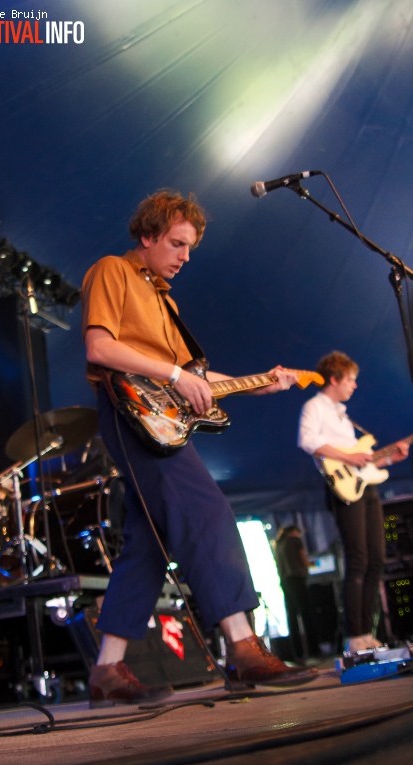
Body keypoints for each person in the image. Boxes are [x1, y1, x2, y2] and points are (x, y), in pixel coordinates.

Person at [81, 189, 318, 706]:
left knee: (149, 540)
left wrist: (261, 383)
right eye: (177, 243)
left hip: (159, 416)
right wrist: (170, 373)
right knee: (208, 511)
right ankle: (243, 646)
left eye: (190, 247)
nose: (185, 256)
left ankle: (107, 669)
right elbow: (99, 347)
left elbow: (198, 381)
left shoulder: (165, 298)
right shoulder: (110, 271)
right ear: (147, 236)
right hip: (129, 414)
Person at [297, 350, 409, 655]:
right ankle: (355, 635)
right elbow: (307, 442)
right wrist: (348, 457)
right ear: (335, 379)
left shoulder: (342, 414)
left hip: (364, 488)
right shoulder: (315, 406)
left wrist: (389, 459)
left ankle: (367, 633)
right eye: (351, 380)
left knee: (377, 560)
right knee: (357, 558)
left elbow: (364, 462)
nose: (354, 386)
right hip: (342, 490)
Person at [273, 525, 319, 661]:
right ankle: (314, 650)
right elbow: (304, 561)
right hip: (297, 580)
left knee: (292, 618)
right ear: (294, 531)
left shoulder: (278, 544)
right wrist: (315, 563)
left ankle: (297, 654)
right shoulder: (294, 540)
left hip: (285, 582)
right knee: (307, 615)